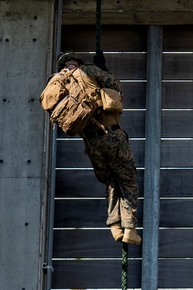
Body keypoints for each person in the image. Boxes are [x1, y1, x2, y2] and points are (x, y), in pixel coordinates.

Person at [55, 52, 141, 245]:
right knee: (127, 180)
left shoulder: (61, 84)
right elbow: (114, 86)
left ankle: (114, 226)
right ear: (77, 62)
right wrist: (102, 70)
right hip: (112, 136)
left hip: (91, 143)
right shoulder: (87, 71)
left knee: (111, 180)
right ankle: (129, 229)